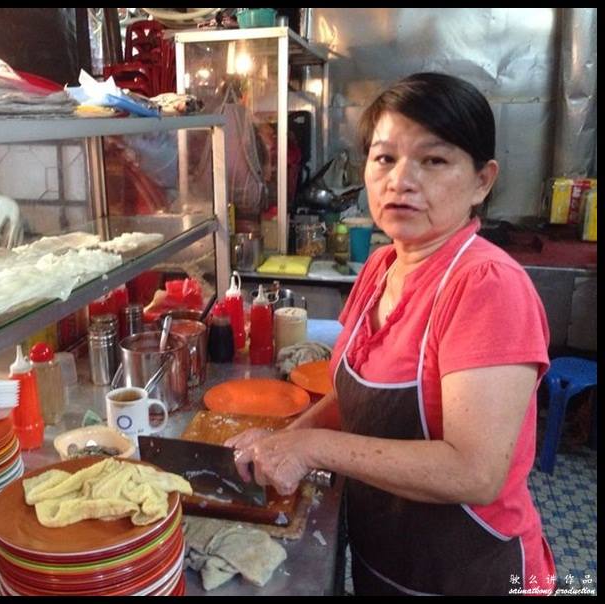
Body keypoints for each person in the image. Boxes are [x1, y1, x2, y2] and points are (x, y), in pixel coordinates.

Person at [226, 72, 555, 596]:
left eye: (434, 160)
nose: (401, 179)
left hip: (476, 575)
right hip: (389, 565)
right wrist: (287, 438)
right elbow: (354, 394)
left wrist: (312, 448)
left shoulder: (487, 287)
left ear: (482, 181)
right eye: (384, 158)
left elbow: (474, 471)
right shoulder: (381, 266)